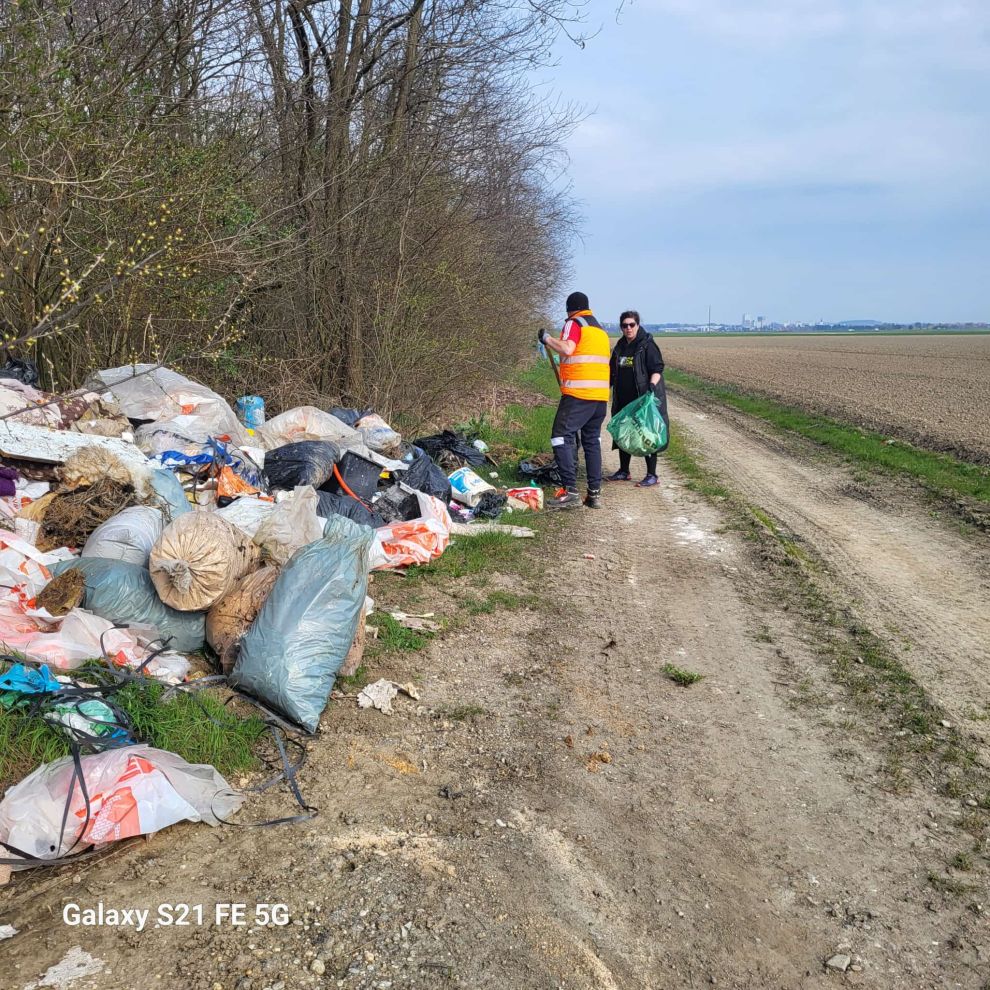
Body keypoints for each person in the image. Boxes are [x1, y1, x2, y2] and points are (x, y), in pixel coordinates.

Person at [537, 291, 611, 510]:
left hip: (579, 394)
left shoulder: (574, 323)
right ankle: (594, 495)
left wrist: (547, 339)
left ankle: (570, 492)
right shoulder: (600, 331)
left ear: (570, 309)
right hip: (599, 398)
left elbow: (568, 348)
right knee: (592, 441)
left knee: (560, 436)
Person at [606, 310, 667, 487]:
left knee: (646, 434)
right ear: (621, 328)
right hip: (623, 399)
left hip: (642, 399)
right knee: (624, 433)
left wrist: (652, 386)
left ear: (638, 325)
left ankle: (652, 474)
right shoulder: (620, 347)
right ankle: (624, 471)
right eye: (624, 325)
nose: (628, 328)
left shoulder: (646, 344)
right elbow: (611, 372)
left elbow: (657, 368)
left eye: (631, 325)